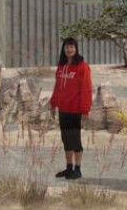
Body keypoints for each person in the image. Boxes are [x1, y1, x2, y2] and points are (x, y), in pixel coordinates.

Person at [50, 37, 92, 179]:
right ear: (64, 49)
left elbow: (86, 89)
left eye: (72, 47)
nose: (70, 49)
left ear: (76, 49)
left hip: (75, 110)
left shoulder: (82, 66)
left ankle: (78, 170)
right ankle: (68, 168)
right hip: (63, 110)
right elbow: (57, 87)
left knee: (75, 140)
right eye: (67, 47)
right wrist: (53, 103)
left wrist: (85, 110)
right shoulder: (61, 66)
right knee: (66, 139)